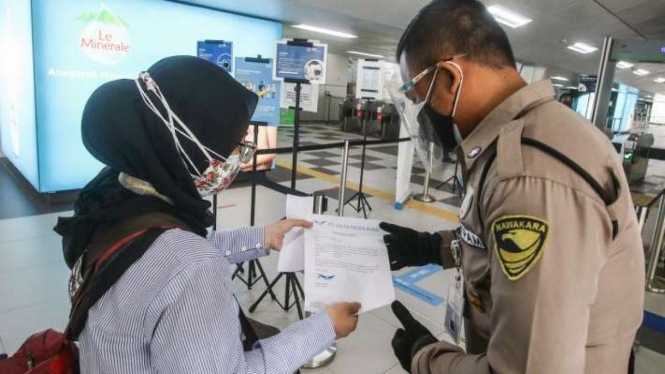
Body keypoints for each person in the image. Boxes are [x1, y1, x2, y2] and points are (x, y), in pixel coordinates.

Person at [381, 1, 644, 373]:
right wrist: (433, 248)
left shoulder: (529, 176)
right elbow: (497, 247)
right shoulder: (518, 138)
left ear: (451, 78)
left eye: (420, 97)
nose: (422, 114)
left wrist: (426, 358)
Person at [54, 56, 360, 374]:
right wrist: (325, 327)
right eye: (234, 144)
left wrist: (262, 236)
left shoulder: (111, 199)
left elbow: (161, 257)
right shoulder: (192, 267)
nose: (239, 158)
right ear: (192, 148)